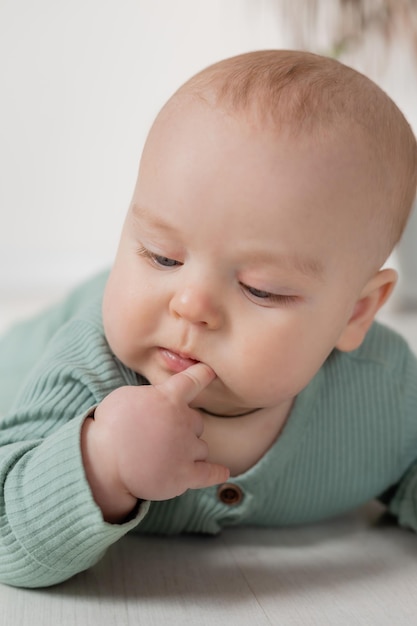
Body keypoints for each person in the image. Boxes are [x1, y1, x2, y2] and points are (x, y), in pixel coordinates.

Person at [0, 49, 416, 589]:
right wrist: (101, 463)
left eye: (259, 289)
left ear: (355, 312)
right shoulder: (87, 369)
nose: (190, 305)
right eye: (161, 256)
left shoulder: (384, 391)